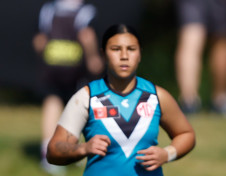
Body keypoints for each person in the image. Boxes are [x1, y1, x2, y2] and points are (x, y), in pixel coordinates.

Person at [46, 24, 195, 175]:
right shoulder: (86, 97)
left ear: (140, 54)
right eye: (116, 49)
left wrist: (167, 154)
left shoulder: (156, 96)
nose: (124, 56)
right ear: (103, 54)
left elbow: (186, 134)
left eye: (131, 49)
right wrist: (83, 148)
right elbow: (53, 151)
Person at [33, 0, 103, 174]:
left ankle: (48, 151)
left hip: (52, 65)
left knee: (51, 102)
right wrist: (93, 58)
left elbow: (39, 41)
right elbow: (87, 36)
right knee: (77, 108)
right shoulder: (85, 11)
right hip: (75, 68)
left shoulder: (48, 9)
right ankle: (72, 150)